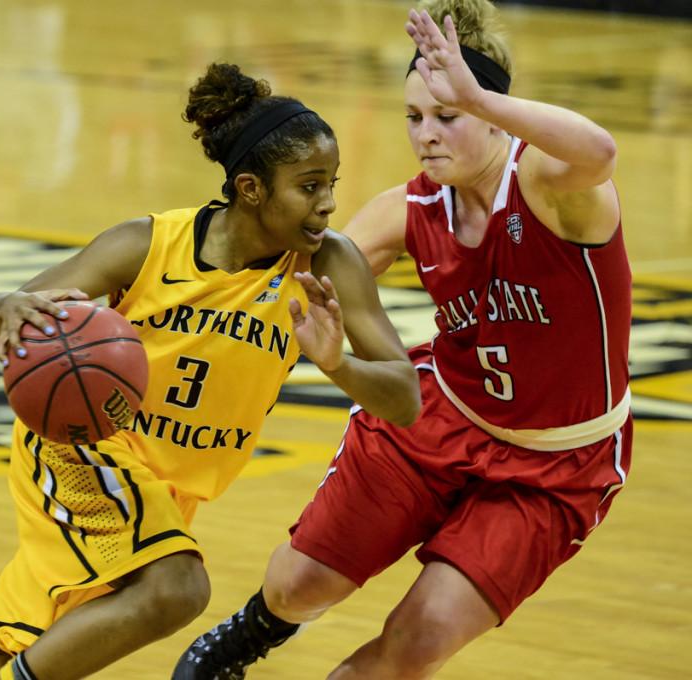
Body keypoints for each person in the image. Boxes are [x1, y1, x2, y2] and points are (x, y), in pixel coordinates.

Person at [0, 62, 420, 680]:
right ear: (250, 188)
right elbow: (3, 322)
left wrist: (337, 363)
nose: (328, 202)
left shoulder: (329, 263)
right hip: (85, 451)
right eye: (308, 185)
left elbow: (403, 398)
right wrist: (4, 306)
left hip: (164, 491)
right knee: (177, 588)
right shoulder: (146, 245)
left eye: (331, 182)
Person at [173, 2, 632, 679]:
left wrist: (476, 95)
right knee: (297, 585)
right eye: (414, 119)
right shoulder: (409, 208)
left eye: (448, 117)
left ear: (493, 113)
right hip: (438, 419)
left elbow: (601, 151)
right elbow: (289, 285)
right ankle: (244, 639)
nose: (427, 136)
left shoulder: (548, 185)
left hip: (552, 466)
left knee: (418, 642)